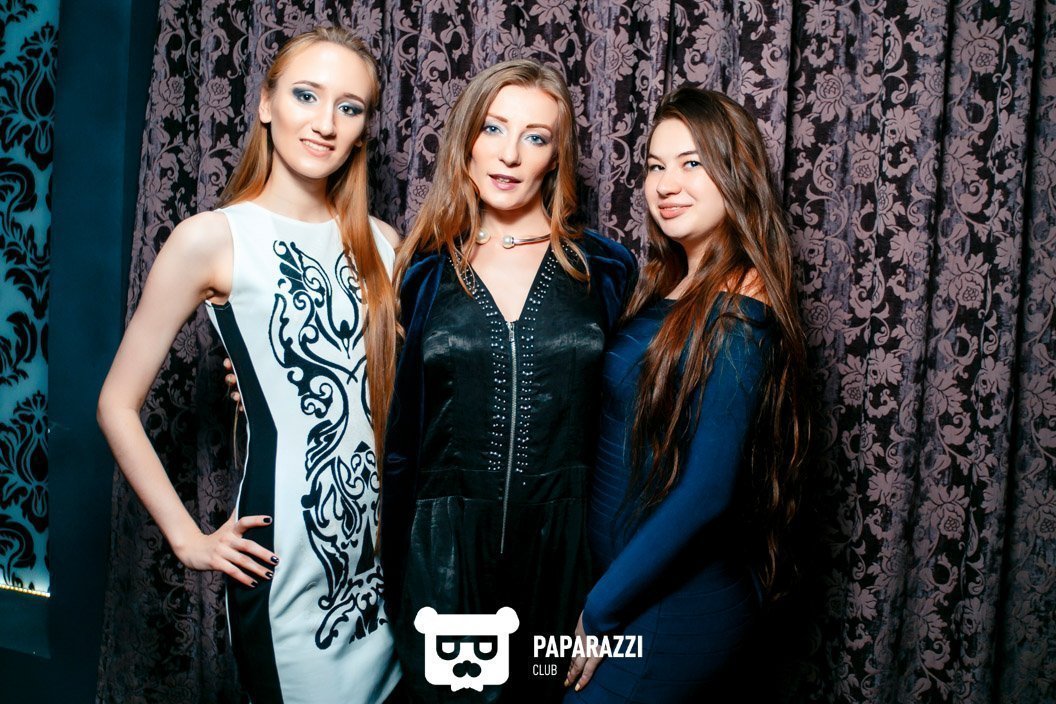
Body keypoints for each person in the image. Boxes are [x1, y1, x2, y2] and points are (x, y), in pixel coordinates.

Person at [97, 27, 402, 704]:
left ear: (362, 129)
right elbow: (115, 404)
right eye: (306, 96)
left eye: (349, 107)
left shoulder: (385, 244)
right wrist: (188, 539)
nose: (325, 123)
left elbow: (393, 391)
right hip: (287, 561)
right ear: (266, 103)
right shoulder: (210, 238)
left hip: (387, 564)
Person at [381, 59, 637, 702]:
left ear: (556, 156)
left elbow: (631, 419)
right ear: (467, 139)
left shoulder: (606, 269)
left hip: (568, 558)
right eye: (493, 128)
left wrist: (611, 591)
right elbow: (394, 427)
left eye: (535, 136)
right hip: (444, 557)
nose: (510, 154)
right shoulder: (422, 272)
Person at [563, 87, 810, 702]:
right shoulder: (676, 282)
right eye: (655, 166)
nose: (666, 184)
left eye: (692, 163)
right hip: (631, 590)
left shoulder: (740, 306)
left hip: (669, 610)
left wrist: (600, 610)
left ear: (735, 172)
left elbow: (707, 491)